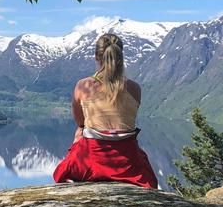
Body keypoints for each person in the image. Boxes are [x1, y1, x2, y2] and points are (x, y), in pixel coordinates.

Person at [53, 32, 158, 188]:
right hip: (128, 163)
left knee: (79, 133)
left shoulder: (83, 86)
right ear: (120, 56)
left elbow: (80, 122)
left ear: (96, 57)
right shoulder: (134, 88)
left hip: (91, 159)